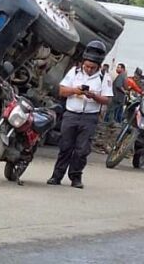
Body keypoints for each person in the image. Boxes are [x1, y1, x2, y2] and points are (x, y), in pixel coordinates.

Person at [48, 40, 113, 189]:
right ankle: (56, 176)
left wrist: (94, 96)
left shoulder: (104, 77)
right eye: (87, 66)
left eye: (92, 67)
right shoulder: (74, 72)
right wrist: (76, 90)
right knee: (65, 147)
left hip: (89, 118)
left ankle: (76, 177)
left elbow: (107, 100)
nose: (89, 69)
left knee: (82, 150)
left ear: (99, 65)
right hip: (71, 115)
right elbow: (62, 91)